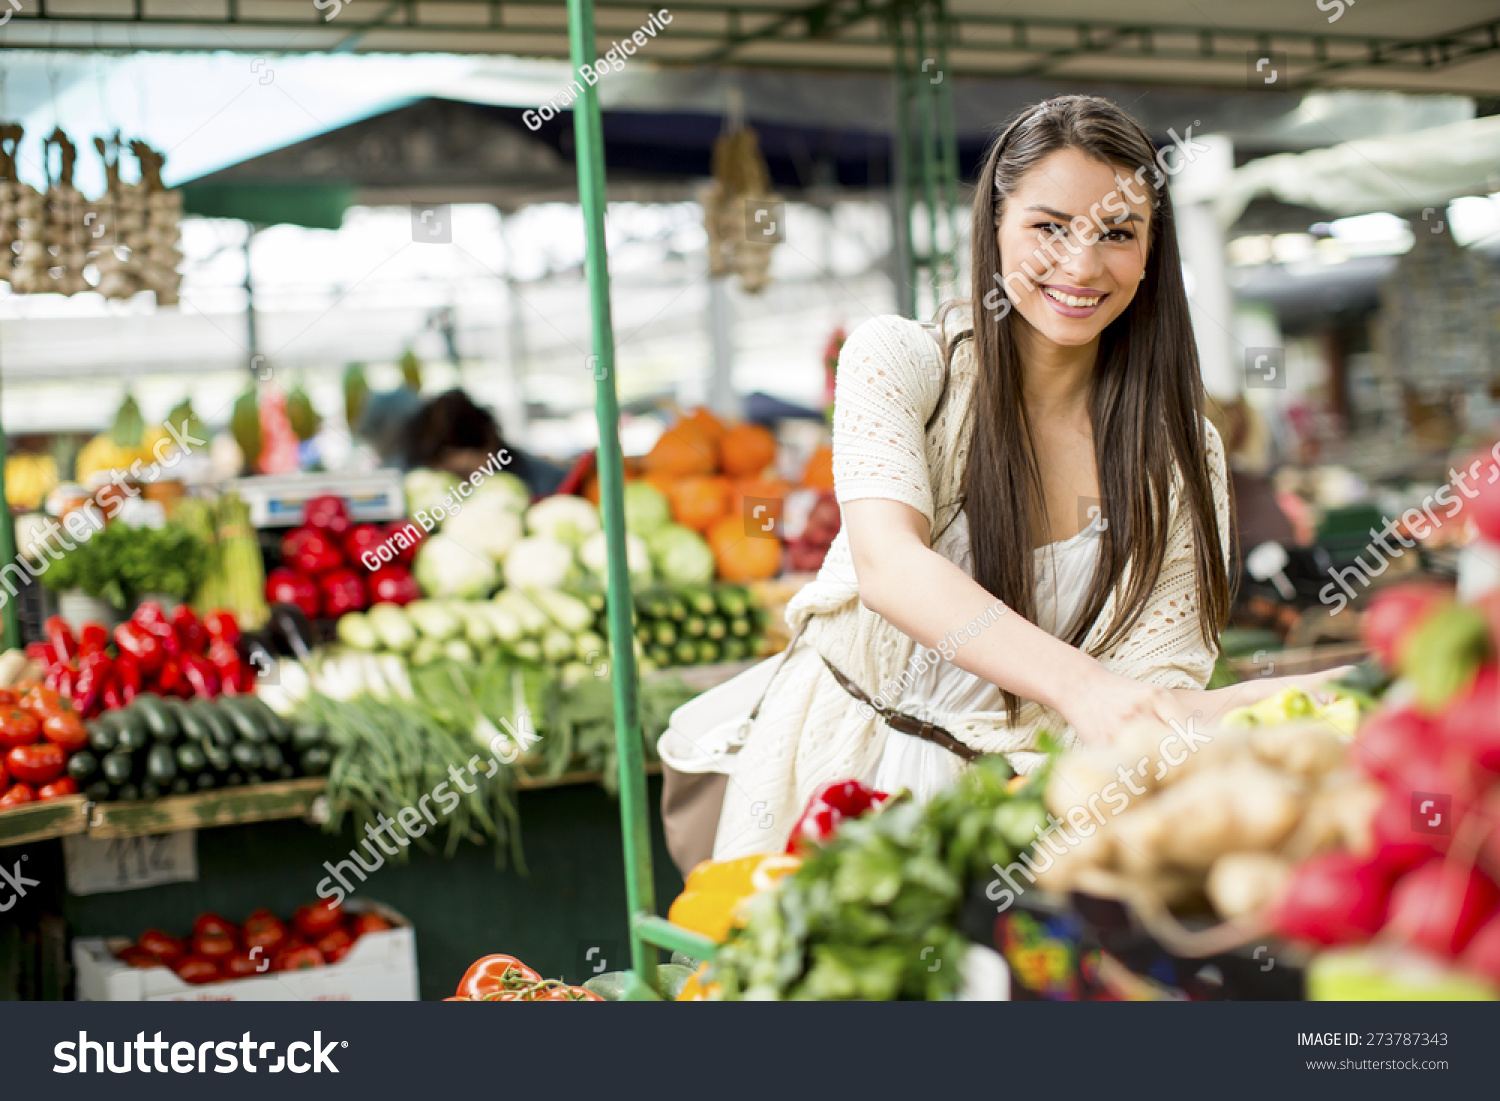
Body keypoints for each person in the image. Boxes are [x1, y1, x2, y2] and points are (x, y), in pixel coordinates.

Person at [709, 96, 1345, 860]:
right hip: (833, 777)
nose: (1081, 264)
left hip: (1015, 811)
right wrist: (1083, 688)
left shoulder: (1181, 452)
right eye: (1049, 227)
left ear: (1151, 253)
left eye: (1117, 233)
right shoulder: (902, 361)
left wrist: (1306, 699)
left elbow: (1151, 689)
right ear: (997, 225)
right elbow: (890, 564)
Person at [402, 389, 563, 497]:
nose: (459, 486)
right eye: (445, 478)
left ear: (490, 445)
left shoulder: (549, 485)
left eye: (462, 474)